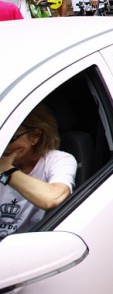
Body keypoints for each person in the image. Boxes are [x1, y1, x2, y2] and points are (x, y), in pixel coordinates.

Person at [0, 103, 76, 240]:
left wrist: (6, 171)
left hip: (31, 247)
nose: (3, 146)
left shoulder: (59, 160)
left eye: (11, 139)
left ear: (35, 136)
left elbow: (53, 198)